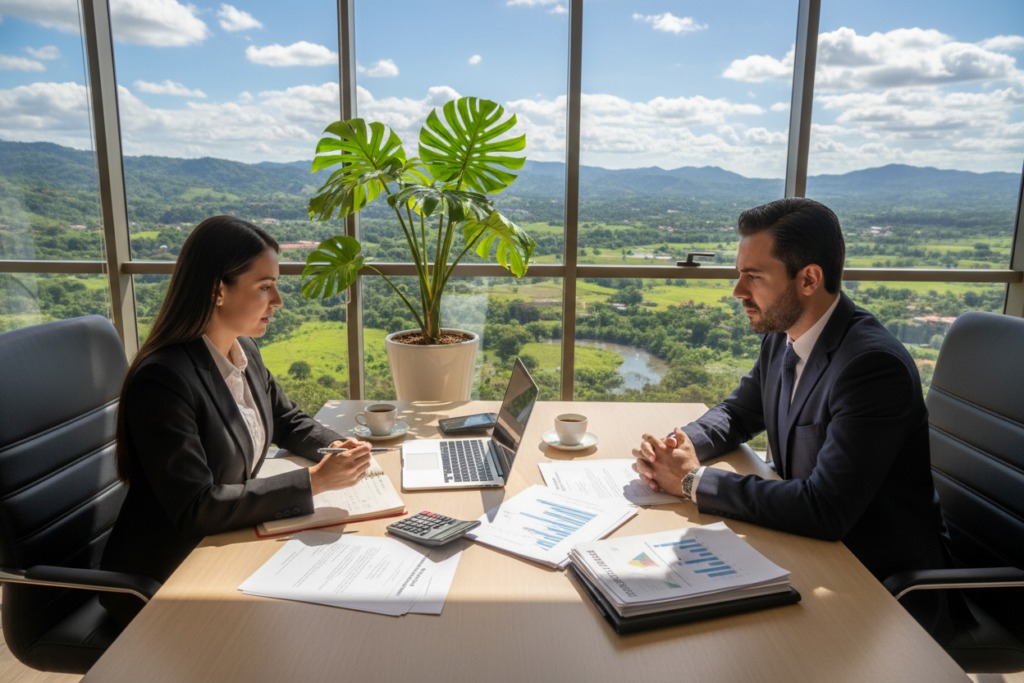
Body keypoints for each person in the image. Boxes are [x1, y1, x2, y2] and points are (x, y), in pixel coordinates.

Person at [631, 197, 955, 641]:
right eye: (738, 274)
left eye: (754, 276)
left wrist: (692, 482)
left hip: (878, 587)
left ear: (809, 279)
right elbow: (737, 413)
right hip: (808, 554)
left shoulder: (872, 367)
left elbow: (826, 509)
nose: (738, 291)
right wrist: (678, 446)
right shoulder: (784, 338)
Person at [101, 216, 371, 627]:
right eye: (265, 287)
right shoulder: (163, 380)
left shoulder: (242, 351)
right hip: (166, 578)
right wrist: (315, 481)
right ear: (217, 290)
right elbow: (197, 507)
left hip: (226, 544)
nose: (277, 300)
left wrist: (339, 449)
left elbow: (287, 419)